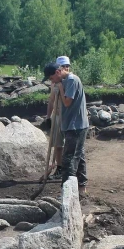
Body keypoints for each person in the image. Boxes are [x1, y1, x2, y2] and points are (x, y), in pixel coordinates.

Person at [42, 62, 89, 192]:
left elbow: (67, 102)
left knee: (69, 159)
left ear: (57, 72)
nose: (52, 81)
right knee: (79, 156)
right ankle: (82, 187)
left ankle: (67, 191)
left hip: (76, 125)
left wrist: (60, 89)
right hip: (71, 124)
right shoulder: (65, 81)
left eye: (51, 78)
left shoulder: (71, 80)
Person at [44, 56, 72, 179]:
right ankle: (59, 168)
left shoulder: (70, 81)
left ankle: (70, 170)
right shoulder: (54, 83)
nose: (66, 68)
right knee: (58, 144)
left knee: (70, 145)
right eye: (63, 66)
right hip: (57, 115)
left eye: (67, 66)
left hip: (68, 117)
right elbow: (51, 101)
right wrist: (48, 117)